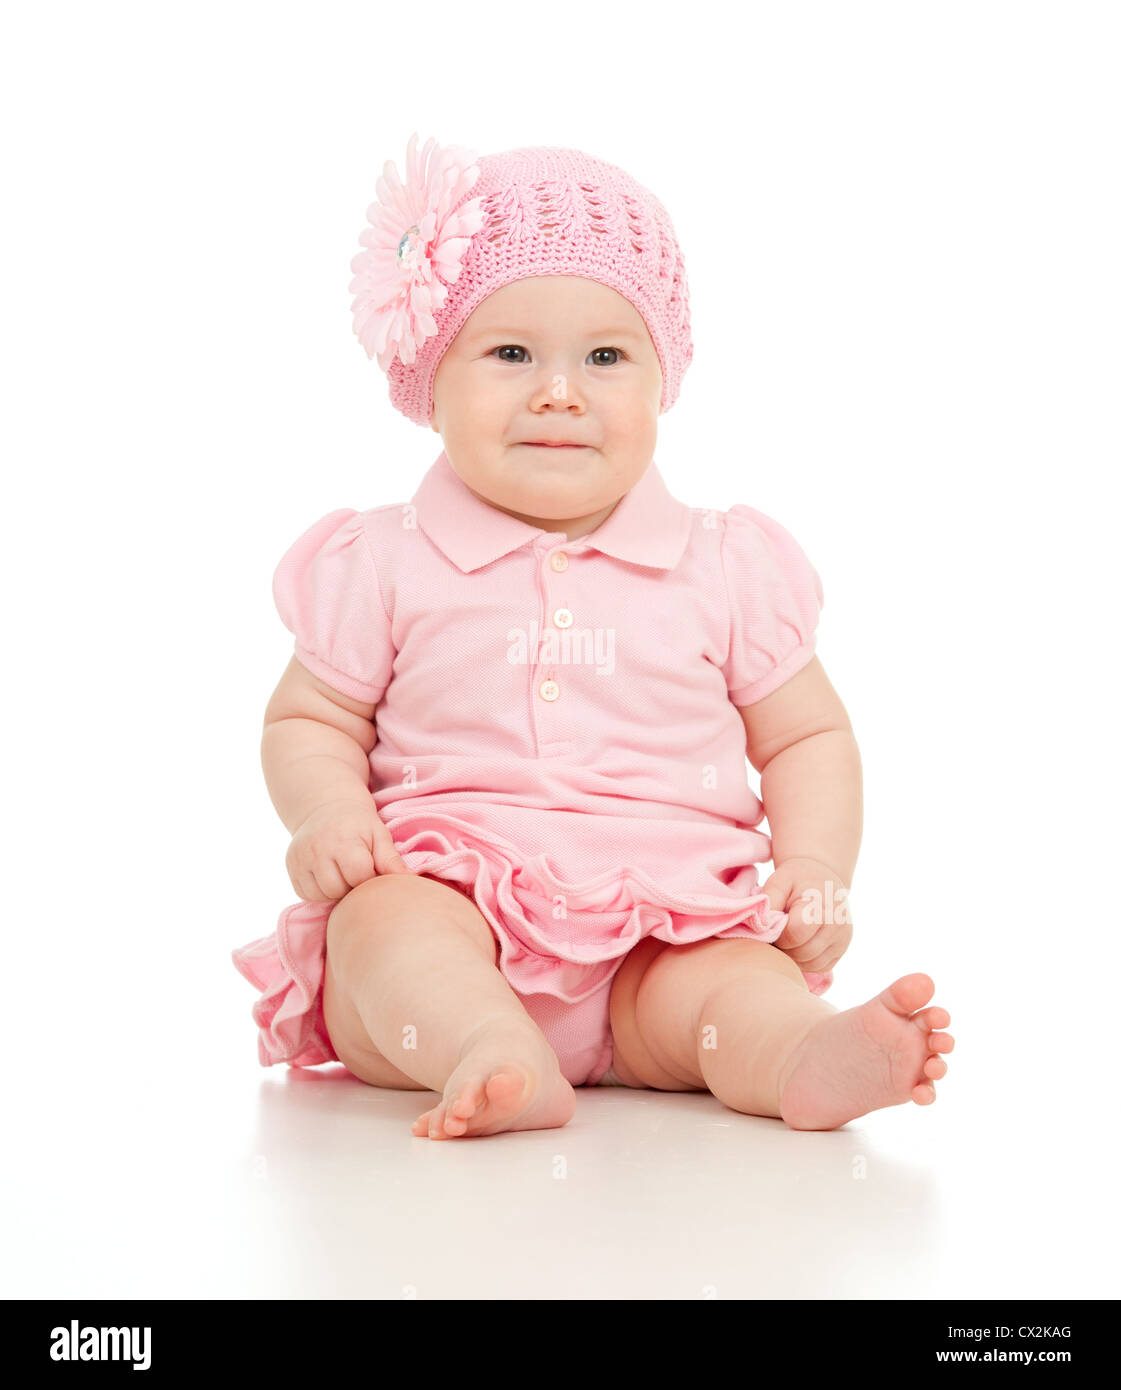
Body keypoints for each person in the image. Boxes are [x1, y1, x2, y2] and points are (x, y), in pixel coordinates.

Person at [232, 134, 953, 1138]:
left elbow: (804, 736)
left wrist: (815, 866)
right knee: (385, 930)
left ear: (662, 379)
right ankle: (488, 1044)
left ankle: (797, 1054)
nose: (558, 391)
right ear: (429, 381)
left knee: (728, 987)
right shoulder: (383, 559)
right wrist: (324, 813)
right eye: (509, 353)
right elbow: (308, 716)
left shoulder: (724, 563)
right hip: (454, 896)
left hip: (661, 927)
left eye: (605, 356)